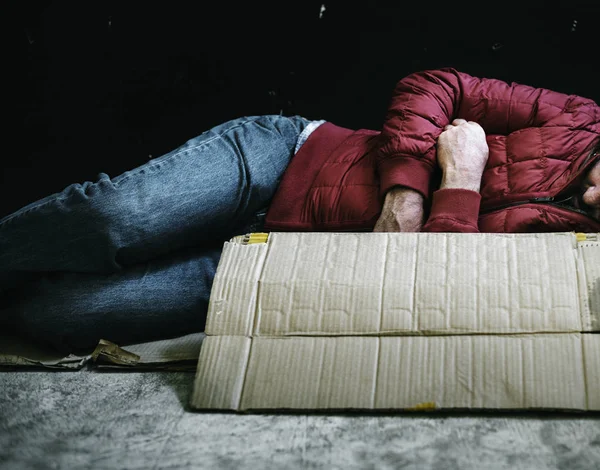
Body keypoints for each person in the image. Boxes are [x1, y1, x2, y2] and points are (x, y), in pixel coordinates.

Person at [2, 67, 600, 353]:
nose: (595, 202)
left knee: (52, 318)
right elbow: (435, 86)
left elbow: (454, 295)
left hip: (284, 274)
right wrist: (408, 191)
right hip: (288, 159)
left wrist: (463, 179)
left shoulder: (587, 255)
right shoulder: (579, 118)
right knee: (118, 218)